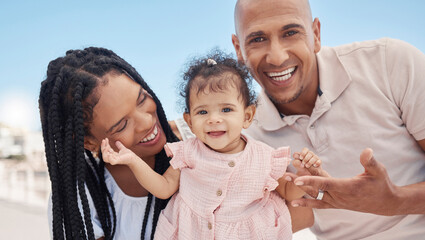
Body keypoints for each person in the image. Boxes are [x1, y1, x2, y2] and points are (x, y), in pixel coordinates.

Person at [232, 0, 425, 239]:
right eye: (257, 39)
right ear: (238, 49)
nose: (277, 57)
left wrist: (394, 200)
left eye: (291, 33)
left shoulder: (389, 62)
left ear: (315, 34)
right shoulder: (242, 136)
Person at [101, 51, 323, 239]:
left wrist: (303, 175)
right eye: (202, 112)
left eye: (226, 110)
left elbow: (288, 192)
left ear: (247, 116)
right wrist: (132, 161)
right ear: (189, 121)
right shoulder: (187, 152)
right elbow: (163, 187)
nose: (214, 119)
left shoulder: (264, 157)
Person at [39, 47, 195, 240]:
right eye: (122, 125)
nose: (146, 122)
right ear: (87, 142)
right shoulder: (78, 194)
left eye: (142, 99)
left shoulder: (199, 139)